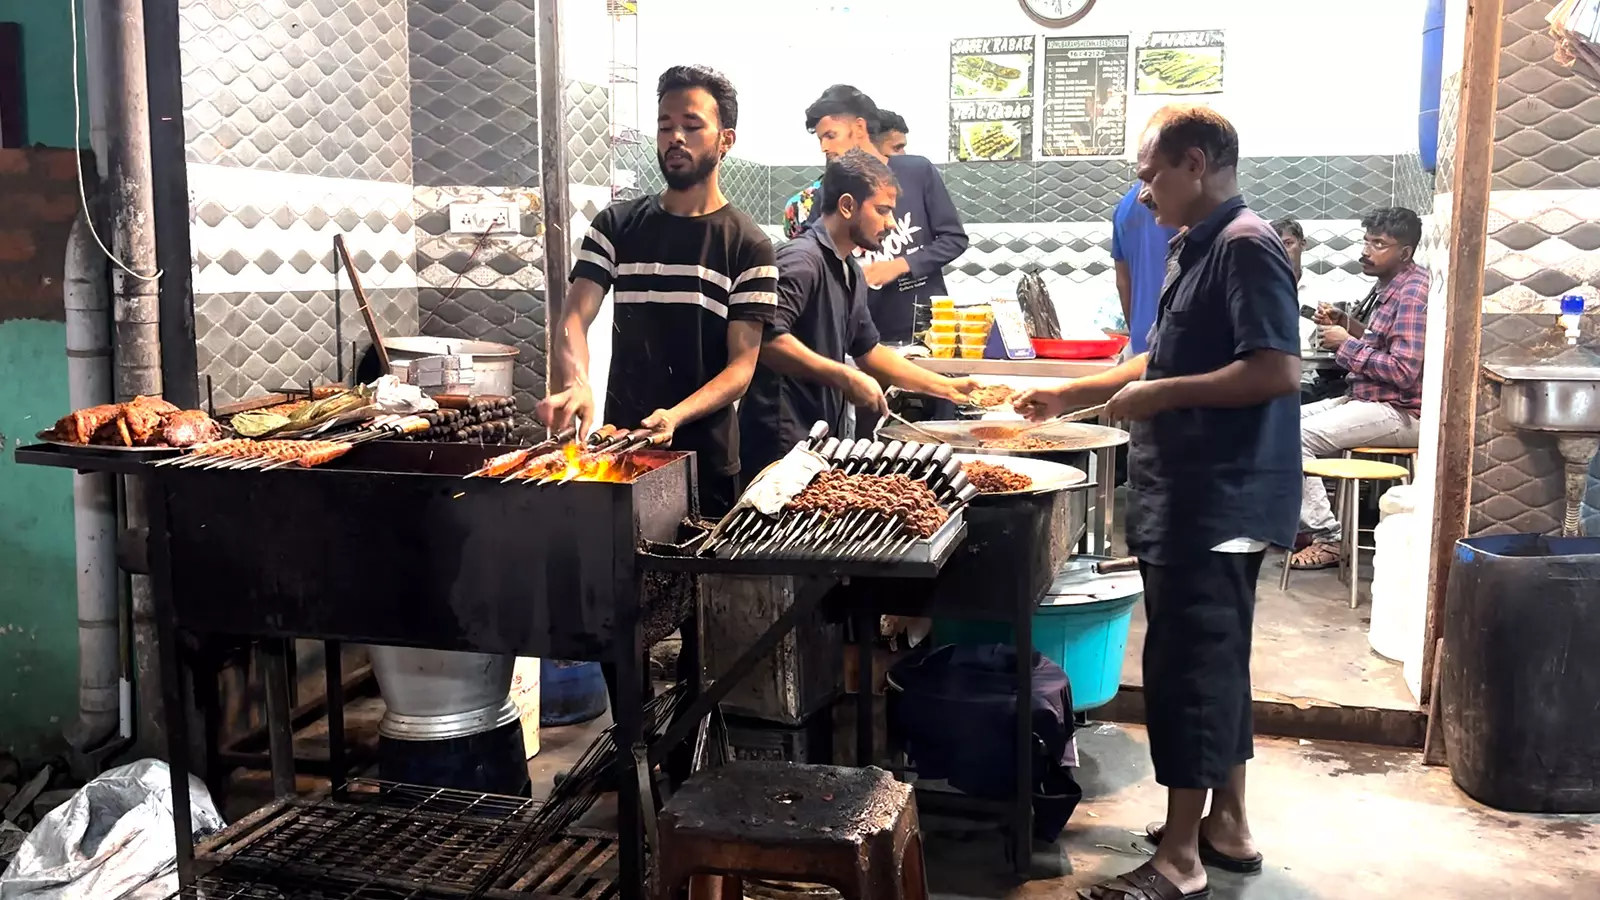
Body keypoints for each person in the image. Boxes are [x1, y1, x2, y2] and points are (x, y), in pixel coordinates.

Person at [1015, 105, 1301, 900]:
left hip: (1217, 501)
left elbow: (1276, 369)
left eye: (1150, 175)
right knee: (1218, 666)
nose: (1141, 194)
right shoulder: (1199, 246)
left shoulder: (1246, 248)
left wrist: (1158, 398)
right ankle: (1228, 826)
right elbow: (1161, 353)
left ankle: (1179, 860)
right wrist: (1073, 391)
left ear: (1196, 163)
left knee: (1185, 673)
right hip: (1199, 496)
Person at [538, 64, 776, 520]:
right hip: (621, 450)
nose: (675, 138)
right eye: (666, 127)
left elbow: (741, 369)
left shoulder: (748, 245)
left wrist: (675, 416)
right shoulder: (617, 226)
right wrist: (578, 383)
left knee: (696, 583)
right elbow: (574, 317)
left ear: (726, 140)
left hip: (706, 461)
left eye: (691, 126)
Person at [740, 149, 977, 474]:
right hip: (780, 444)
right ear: (847, 205)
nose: (891, 223)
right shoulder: (801, 260)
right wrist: (846, 376)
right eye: (882, 210)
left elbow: (868, 352)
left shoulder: (849, 269)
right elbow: (766, 340)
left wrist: (945, 387)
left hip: (818, 440)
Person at [1289, 207, 1428, 570]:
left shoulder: (1413, 293)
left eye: (1379, 244)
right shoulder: (1389, 285)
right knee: (1272, 422)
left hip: (1400, 411)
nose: (1367, 251)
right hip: (1368, 399)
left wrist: (1344, 344)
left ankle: (1328, 539)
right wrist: (1347, 325)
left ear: (1405, 252)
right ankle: (1296, 523)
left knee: (1293, 436)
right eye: (1366, 241)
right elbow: (1381, 343)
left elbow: (1404, 371)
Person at [780, 85, 969, 343]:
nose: (824, 147)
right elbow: (819, 251)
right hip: (861, 334)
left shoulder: (918, 171)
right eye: (820, 139)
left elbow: (954, 239)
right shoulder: (829, 189)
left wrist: (899, 266)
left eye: (831, 135)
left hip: (923, 330)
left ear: (859, 128)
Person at [1113, 183, 1179, 354]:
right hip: (1177, 346)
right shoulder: (1181, 204)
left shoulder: (1123, 207)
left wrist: (1136, 332)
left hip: (1140, 344)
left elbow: (1123, 282)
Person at [1272, 217, 1306, 288]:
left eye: (1287, 243)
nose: (1281, 250)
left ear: (1302, 244)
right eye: (1274, 245)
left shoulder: (1322, 290)